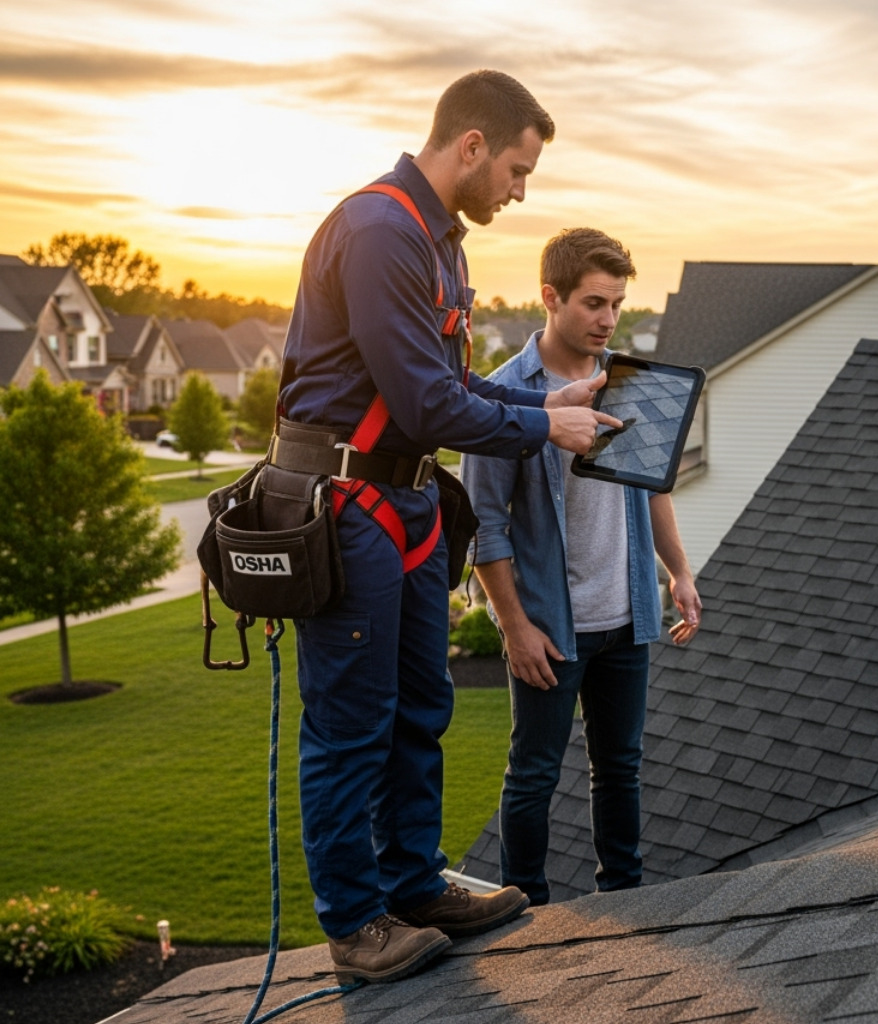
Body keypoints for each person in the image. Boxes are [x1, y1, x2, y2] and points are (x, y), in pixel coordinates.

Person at [275, 71, 623, 985]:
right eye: (516, 168)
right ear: (471, 146)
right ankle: (357, 925)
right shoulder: (379, 230)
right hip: (345, 505)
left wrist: (550, 397)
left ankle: (412, 883)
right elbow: (425, 404)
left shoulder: (442, 245)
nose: (520, 190)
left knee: (420, 708)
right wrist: (546, 424)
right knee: (353, 723)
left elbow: (455, 385)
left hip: (407, 508)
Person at [462, 228, 703, 906]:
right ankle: (524, 910)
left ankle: (624, 899)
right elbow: (485, 524)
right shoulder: (504, 399)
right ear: (551, 297)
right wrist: (513, 628)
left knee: (619, 769)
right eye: (594, 303)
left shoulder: (629, 385)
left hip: (628, 615)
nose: (607, 319)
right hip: (551, 628)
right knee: (533, 773)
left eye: (618, 304)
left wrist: (677, 573)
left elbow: (652, 486)